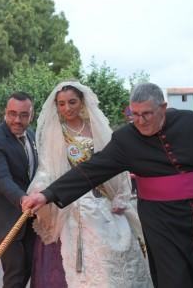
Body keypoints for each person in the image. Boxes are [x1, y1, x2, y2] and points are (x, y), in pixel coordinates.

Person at [23, 83, 193, 288]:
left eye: (147, 114)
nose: (140, 121)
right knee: (175, 278)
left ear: (163, 107)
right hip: (161, 223)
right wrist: (47, 194)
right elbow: (90, 170)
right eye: (135, 114)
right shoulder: (126, 138)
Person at [27, 81, 151, 287]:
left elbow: (117, 164)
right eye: (62, 104)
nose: (67, 108)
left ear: (82, 102)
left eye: (72, 102)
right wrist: (40, 191)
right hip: (74, 203)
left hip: (105, 199)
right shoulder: (55, 133)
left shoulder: (96, 128)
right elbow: (47, 169)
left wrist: (121, 195)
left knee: (122, 253)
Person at [0, 91, 38, 288]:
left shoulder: (32, 135)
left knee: (29, 266)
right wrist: (23, 199)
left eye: (23, 115)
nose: (17, 120)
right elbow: (2, 179)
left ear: (32, 114)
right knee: (16, 270)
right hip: (4, 217)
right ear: (5, 112)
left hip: (30, 216)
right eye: (12, 113)